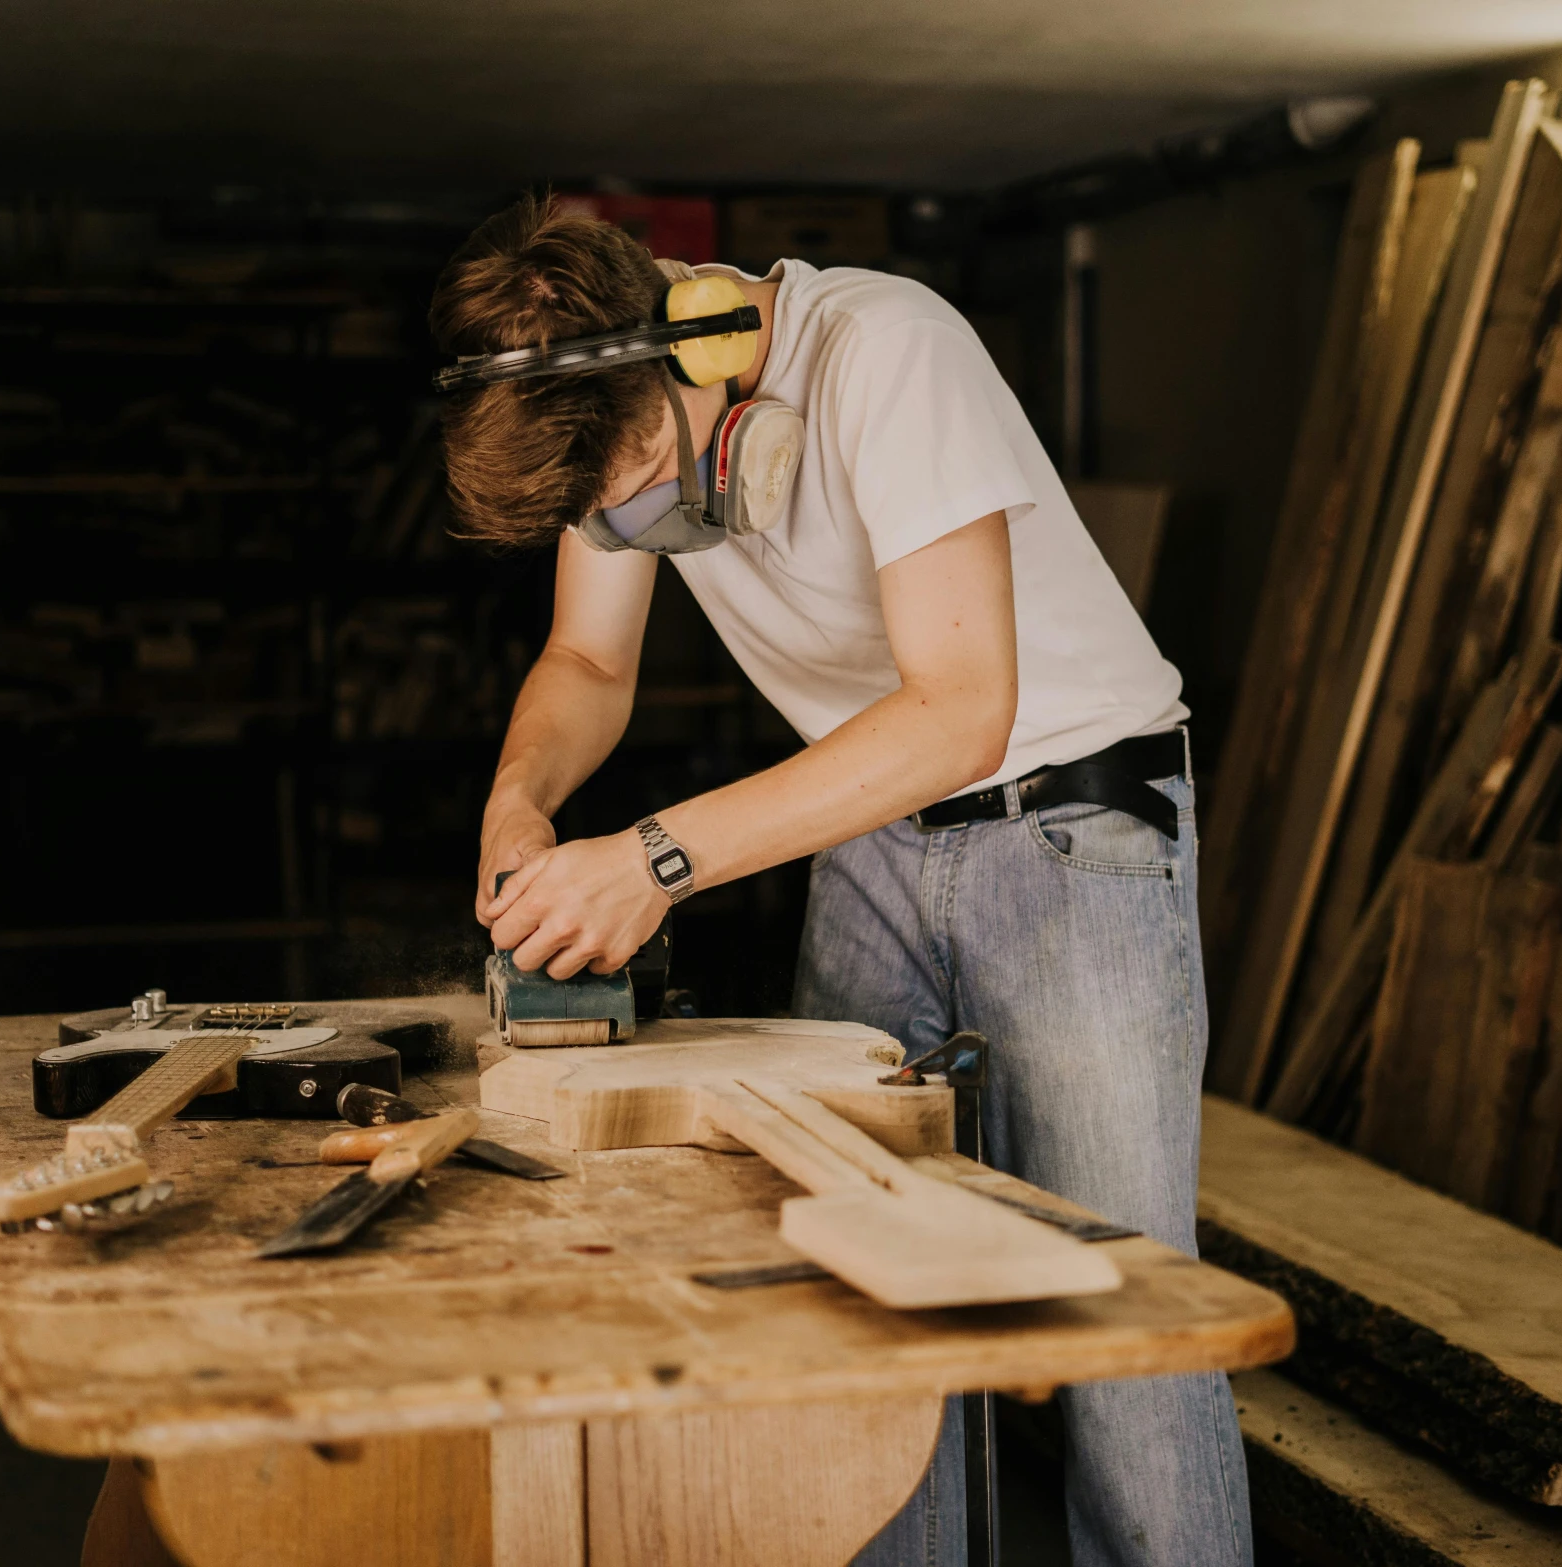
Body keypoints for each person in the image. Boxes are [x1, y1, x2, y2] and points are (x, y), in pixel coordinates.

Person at [432, 194, 1251, 1567]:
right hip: (865, 827)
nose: (628, 523)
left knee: (1119, 1321)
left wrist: (654, 860)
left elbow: (959, 711)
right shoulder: (600, 397)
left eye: (631, 480)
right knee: (862, 1290)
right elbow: (585, 664)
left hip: (1065, 820)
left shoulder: (887, 351)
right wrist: (522, 795)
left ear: (694, 345)